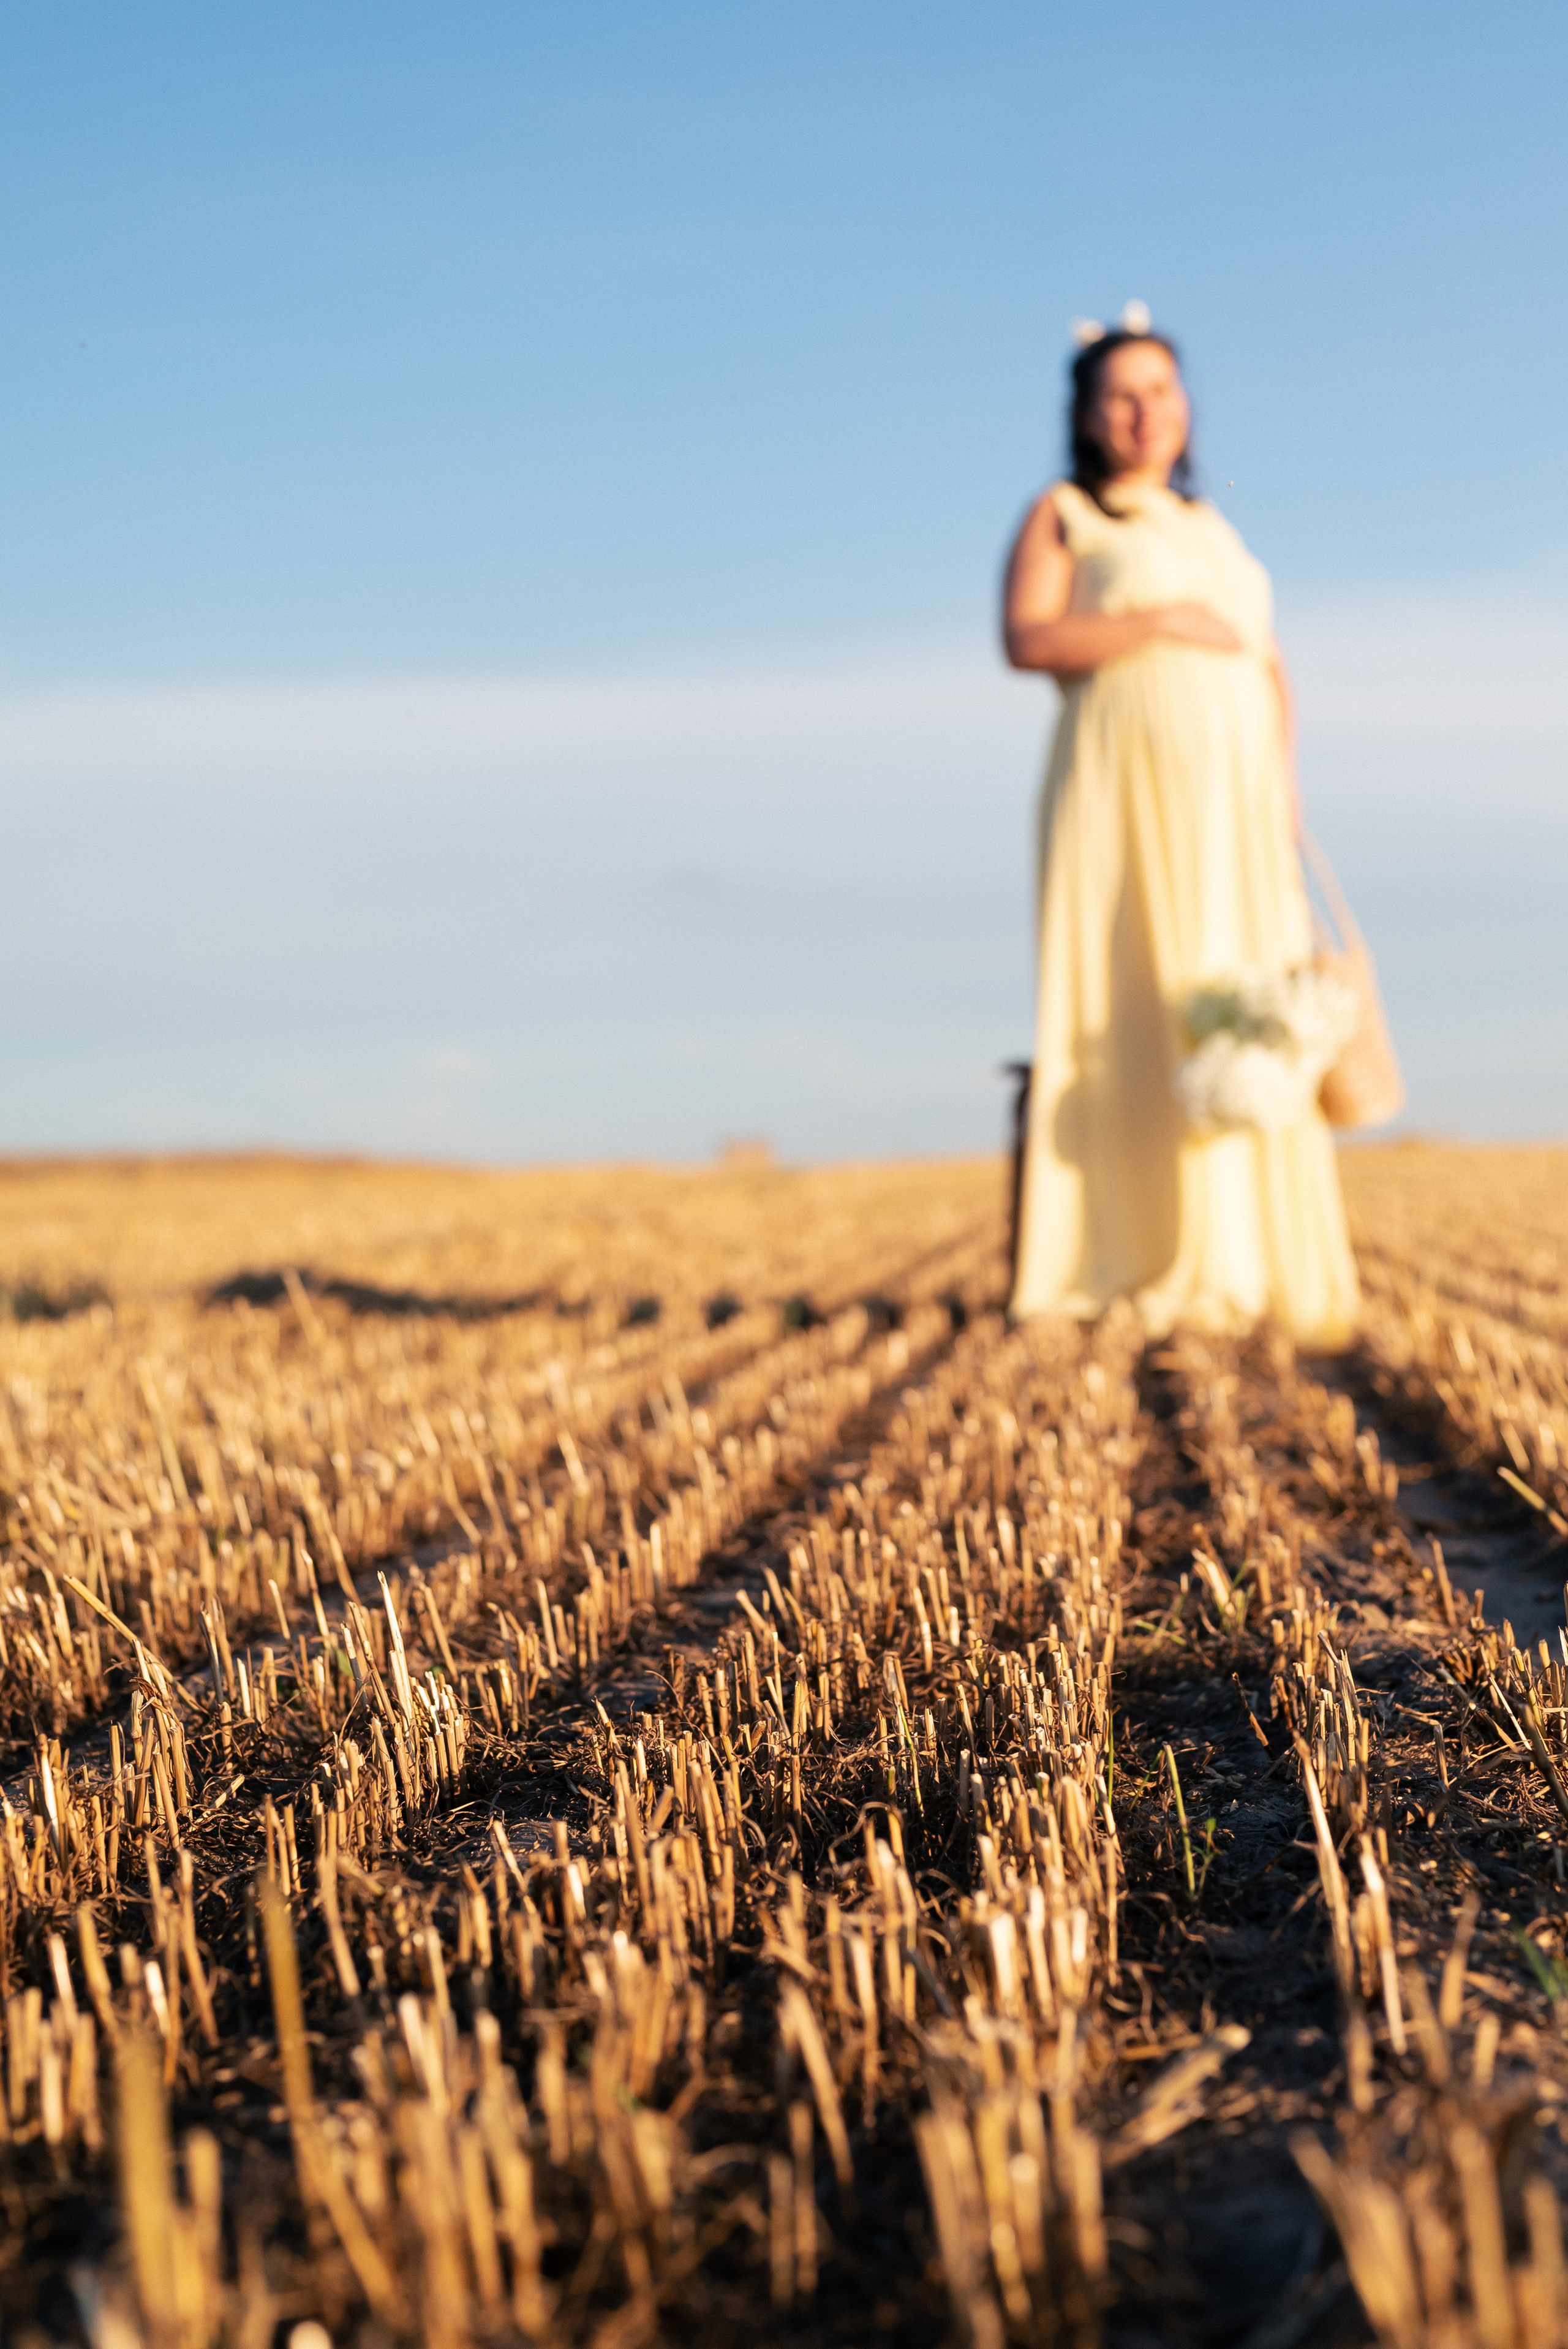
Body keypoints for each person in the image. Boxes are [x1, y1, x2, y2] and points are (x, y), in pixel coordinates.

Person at [1003, 309, 1359, 1344]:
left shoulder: (1217, 530)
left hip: (1237, 803)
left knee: (1243, 1001)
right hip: (1122, 793)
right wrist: (1159, 622)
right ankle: (1128, 1246)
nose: (1143, 411)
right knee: (1133, 991)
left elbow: (1269, 659)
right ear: (1085, 413)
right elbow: (1028, 637)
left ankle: (1243, 1255)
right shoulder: (1065, 513)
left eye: (1161, 389)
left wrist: (1283, 784)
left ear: (1185, 405)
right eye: (1120, 392)